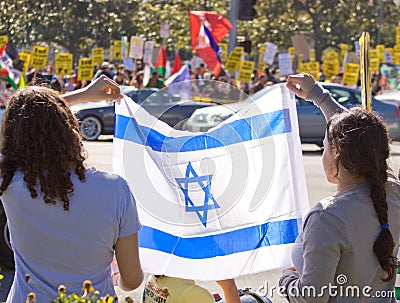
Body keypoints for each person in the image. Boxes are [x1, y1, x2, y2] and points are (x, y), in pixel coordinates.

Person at [1, 75, 143, 302]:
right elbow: (132, 279)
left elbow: (14, 125)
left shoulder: (11, 184)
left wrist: (80, 96)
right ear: (71, 130)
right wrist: (117, 281)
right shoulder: (116, 189)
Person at [279, 73, 400, 302]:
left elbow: (312, 298)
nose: (323, 153)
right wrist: (318, 96)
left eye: (324, 147)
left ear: (336, 152)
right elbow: (360, 138)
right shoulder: (392, 191)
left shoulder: (327, 217)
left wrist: (286, 281)